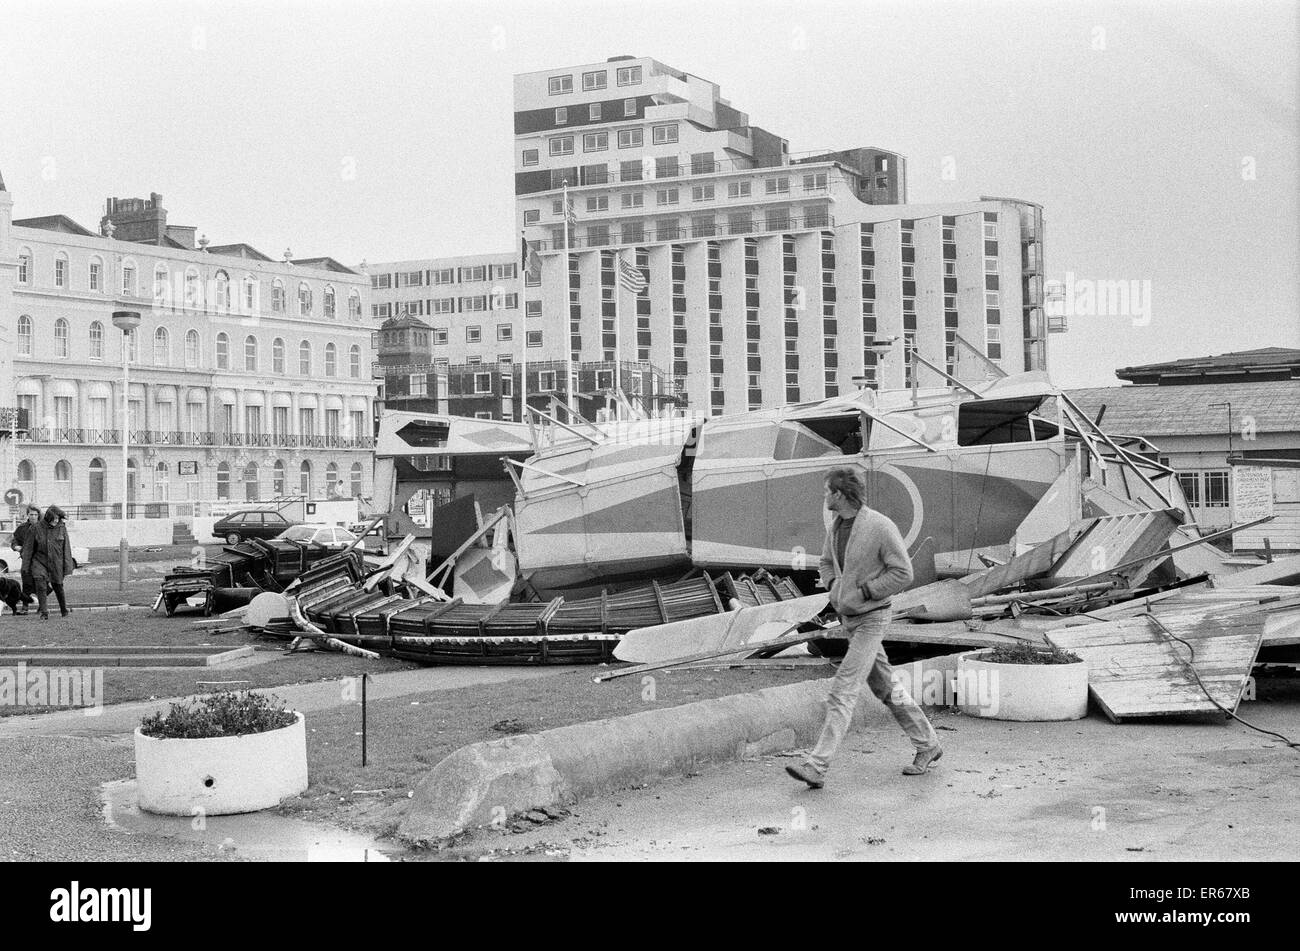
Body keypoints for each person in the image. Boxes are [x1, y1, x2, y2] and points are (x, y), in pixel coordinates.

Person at [785, 467, 943, 789]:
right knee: (885, 688)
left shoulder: (880, 527)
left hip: (873, 618)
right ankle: (928, 744)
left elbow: (903, 573)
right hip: (850, 619)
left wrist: (867, 591)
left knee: (843, 688)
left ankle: (817, 765)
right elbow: (826, 562)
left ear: (840, 494)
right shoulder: (838, 525)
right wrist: (834, 587)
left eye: (827, 491)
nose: (824, 496)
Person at [20, 505, 76, 620]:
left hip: (56, 562)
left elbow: (66, 549)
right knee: (40, 585)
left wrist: (67, 567)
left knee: (58, 586)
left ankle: (64, 610)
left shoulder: (62, 528)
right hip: (39, 561)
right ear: (48, 517)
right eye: (54, 518)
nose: (56, 520)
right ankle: (44, 613)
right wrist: (25, 567)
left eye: (58, 518)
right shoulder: (35, 528)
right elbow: (28, 549)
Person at [10, 505, 41, 615]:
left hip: (40, 561)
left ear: (39, 515)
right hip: (26, 561)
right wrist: (16, 547)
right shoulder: (22, 528)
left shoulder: (43, 527)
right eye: (31, 514)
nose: (33, 517)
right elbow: (14, 541)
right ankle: (25, 607)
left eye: (35, 514)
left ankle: (42, 606)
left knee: (41, 584)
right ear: (27, 515)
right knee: (26, 584)